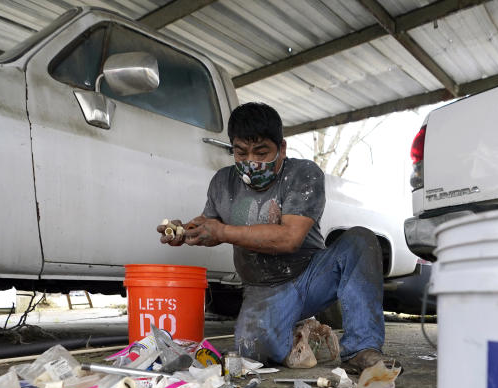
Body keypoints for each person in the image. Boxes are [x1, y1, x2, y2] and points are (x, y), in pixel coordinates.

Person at [157, 102, 396, 373]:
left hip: (311, 277)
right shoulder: (222, 182)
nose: (251, 162)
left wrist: (222, 231)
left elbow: (290, 238)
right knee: (253, 354)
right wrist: (186, 232)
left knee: (361, 241)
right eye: (241, 152)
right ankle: (306, 333)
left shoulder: (303, 174)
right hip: (262, 290)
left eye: (261, 152)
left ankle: (361, 348)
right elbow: (210, 227)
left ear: (282, 148)